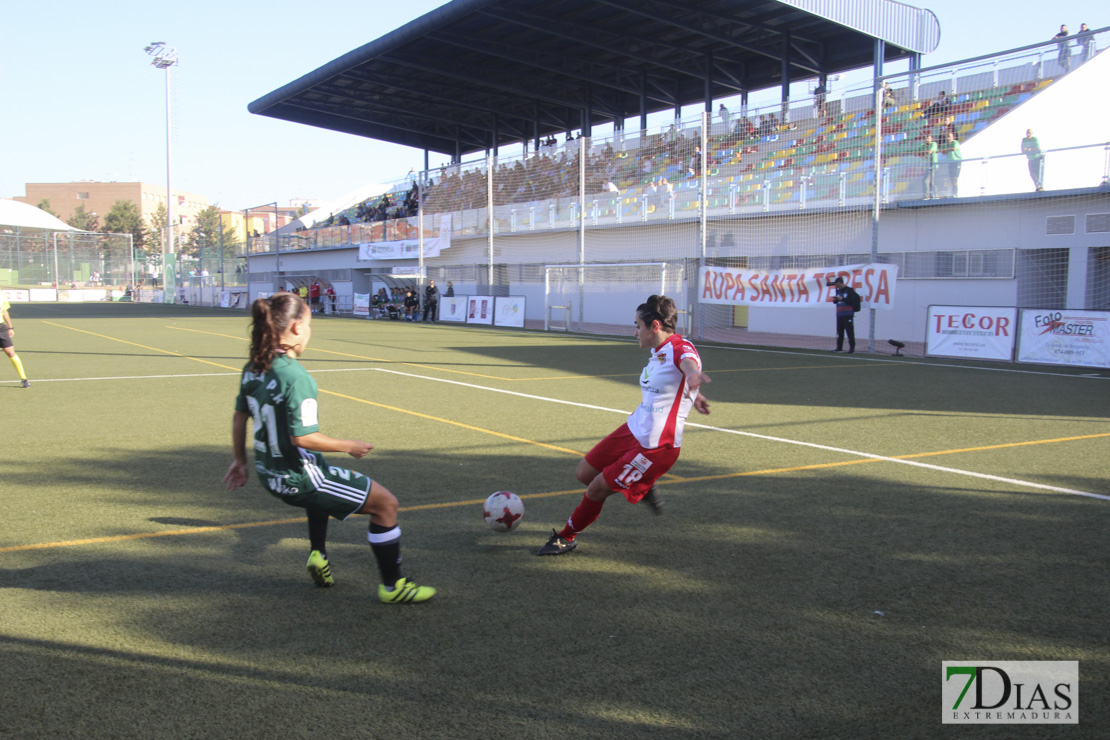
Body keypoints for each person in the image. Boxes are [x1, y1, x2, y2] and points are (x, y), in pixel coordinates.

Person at [222, 293, 435, 603]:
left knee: (321, 480)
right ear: (296, 327)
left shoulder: (254, 366)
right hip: (300, 478)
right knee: (386, 505)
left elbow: (240, 416)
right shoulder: (296, 377)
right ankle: (394, 586)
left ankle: (318, 554)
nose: (310, 332)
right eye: (309, 325)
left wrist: (239, 461)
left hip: (270, 475)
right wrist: (349, 445)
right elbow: (303, 437)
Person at [536, 295, 711, 556]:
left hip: (656, 446)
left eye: (637, 325)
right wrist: (693, 392)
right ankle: (643, 484)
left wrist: (694, 375)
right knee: (584, 473)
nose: (635, 331)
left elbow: (687, 363)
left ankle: (566, 537)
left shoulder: (679, 347)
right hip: (635, 427)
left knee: (596, 489)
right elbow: (674, 382)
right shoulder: (659, 352)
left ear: (654, 326)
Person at [1, 298, 30, 388]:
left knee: (11, 353)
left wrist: (10, 327)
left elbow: (4, 311)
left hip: (0, 327)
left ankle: (23, 379)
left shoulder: (0, 294)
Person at [828, 277, 861, 353]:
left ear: (840, 282)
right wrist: (836, 300)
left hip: (848, 314)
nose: (836, 286)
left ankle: (852, 348)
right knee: (840, 332)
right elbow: (837, 302)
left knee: (849, 332)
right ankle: (839, 348)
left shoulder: (849, 290)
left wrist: (842, 299)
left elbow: (851, 301)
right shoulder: (838, 291)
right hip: (840, 314)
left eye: (837, 284)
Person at [942, 132, 962, 197]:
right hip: (950, 163)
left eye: (949, 137)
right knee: (951, 178)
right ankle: (952, 193)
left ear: (953, 137)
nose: (948, 138)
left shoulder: (955, 142)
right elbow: (942, 151)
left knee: (955, 178)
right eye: (947, 137)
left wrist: (946, 150)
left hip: (956, 162)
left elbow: (954, 148)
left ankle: (955, 193)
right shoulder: (946, 144)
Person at [921, 133, 938, 199]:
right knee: (930, 182)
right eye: (925, 138)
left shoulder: (933, 144)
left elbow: (930, 151)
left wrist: (923, 152)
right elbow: (917, 153)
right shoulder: (923, 146)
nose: (926, 140)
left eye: (928, 138)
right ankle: (934, 195)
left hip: (933, 166)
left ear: (931, 139)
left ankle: (927, 196)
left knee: (927, 181)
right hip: (927, 167)